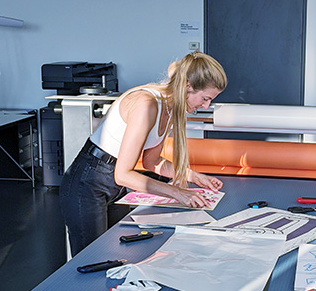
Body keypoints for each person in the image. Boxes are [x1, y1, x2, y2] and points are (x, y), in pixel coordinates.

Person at [60, 52, 227, 255]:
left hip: (113, 184)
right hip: (87, 181)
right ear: (188, 86)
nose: (206, 106)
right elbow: (123, 174)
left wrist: (193, 176)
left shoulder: (170, 108)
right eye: (205, 98)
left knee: (118, 253)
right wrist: (177, 192)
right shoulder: (147, 104)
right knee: (91, 258)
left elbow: (152, 161)